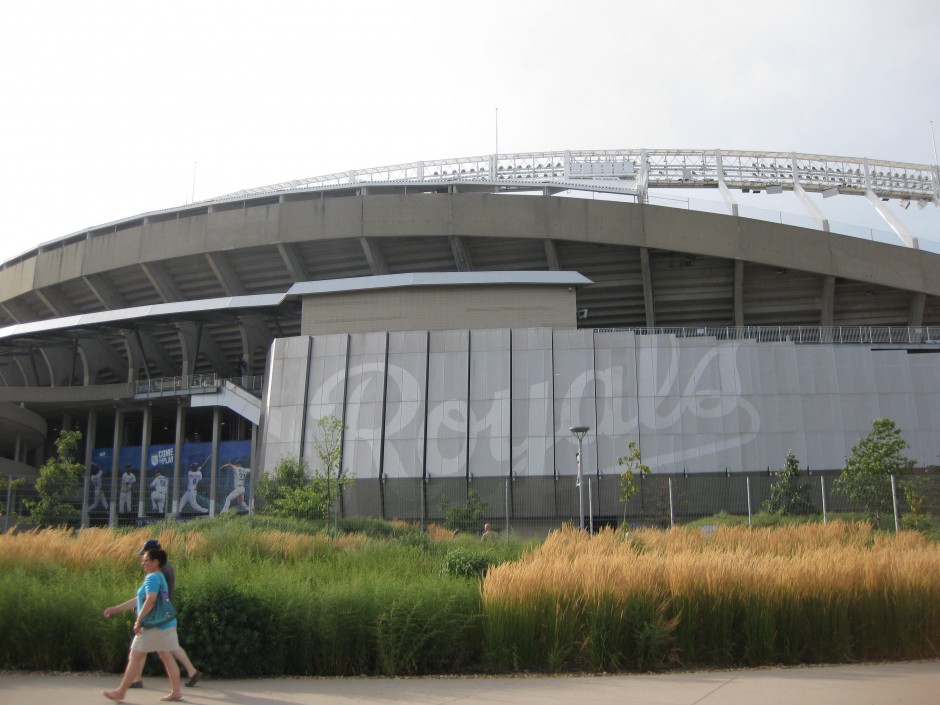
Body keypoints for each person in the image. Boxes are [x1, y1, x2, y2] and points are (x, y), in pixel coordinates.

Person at [102, 546, 183, 702]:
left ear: (155, 562)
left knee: (135, 656)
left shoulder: (152, 578)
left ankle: (120, 692)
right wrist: (116, 609)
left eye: (146, 560)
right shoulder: (160, 577)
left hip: (153, 625)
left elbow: (150, 599)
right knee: (167, 656)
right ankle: (176, 692)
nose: (143, 564)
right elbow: (141, 600)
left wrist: (139, 620)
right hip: (166, 623)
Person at [129, 539, 202, 690]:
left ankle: (135, 680)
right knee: (168, 648)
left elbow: (153, 596)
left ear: (155, 558)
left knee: (148, 648)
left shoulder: (159, 571)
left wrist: (142, 610)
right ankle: (190, 672)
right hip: (163, 612)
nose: (144, 561)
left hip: (158, 614)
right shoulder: (167, 568)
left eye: (147, 557)